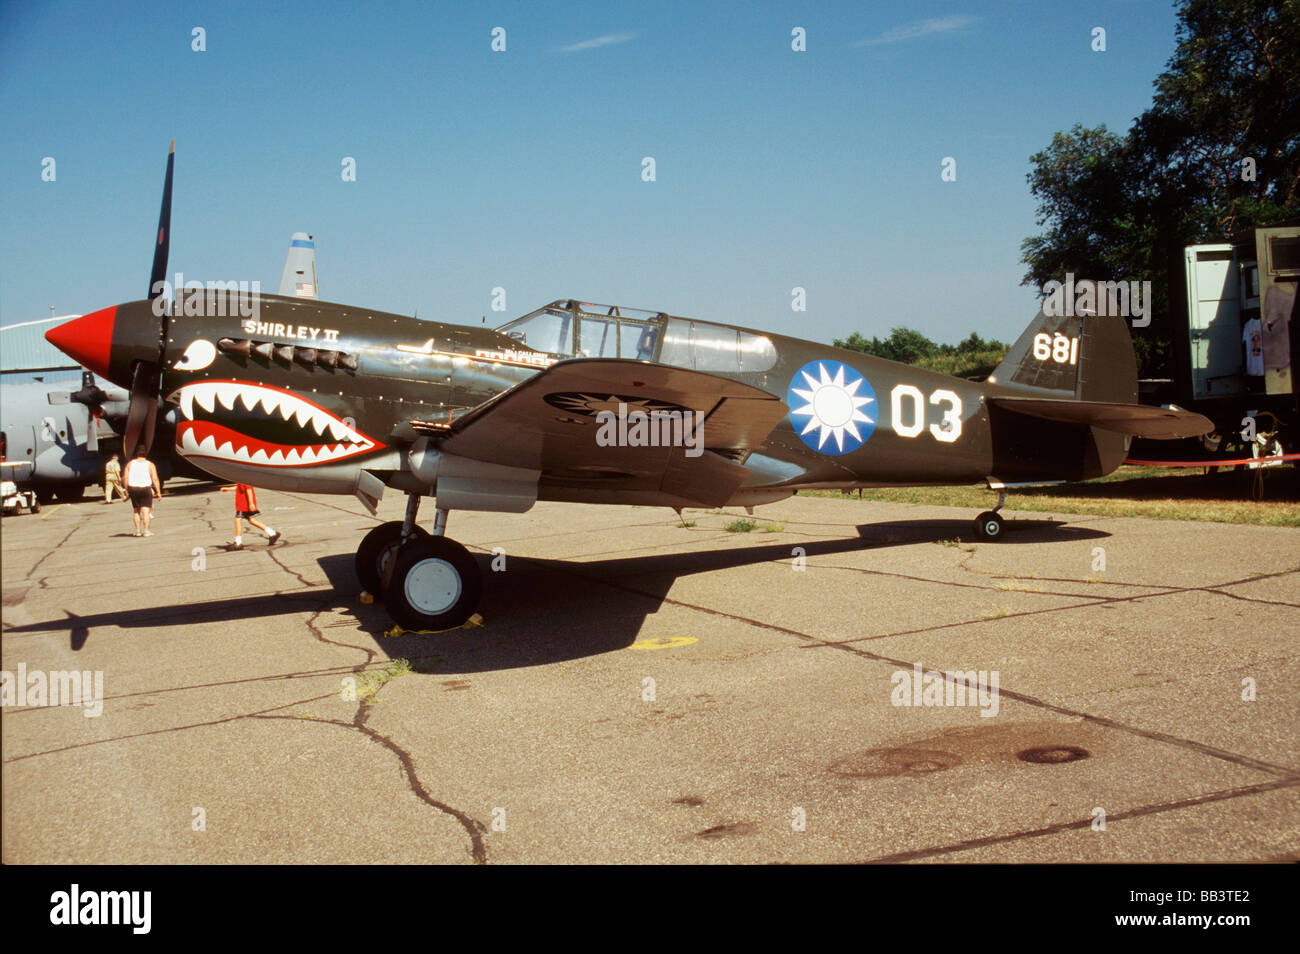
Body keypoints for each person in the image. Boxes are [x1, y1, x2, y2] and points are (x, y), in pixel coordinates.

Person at [220, 483, 281, 549]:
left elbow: (249, 490)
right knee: (251, 520)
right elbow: (239, 487)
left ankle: (238, 543)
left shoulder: (244, 478)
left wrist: (251, 504)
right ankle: (272, 533)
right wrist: (228, 489)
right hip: (243, 504)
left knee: (237, 520)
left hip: (244, 505)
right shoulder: (241, 478)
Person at [123, 445, 161, 537]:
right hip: (145, 488)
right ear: (146, 454)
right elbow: (155, 479)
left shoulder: (130, 464)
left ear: (136, 454)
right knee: (145, 511)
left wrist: (126, 490)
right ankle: (146, 531)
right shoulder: (150, 464)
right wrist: (158, 492)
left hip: (133, 488)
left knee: (136, 510)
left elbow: (125, 477)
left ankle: (137, 531)